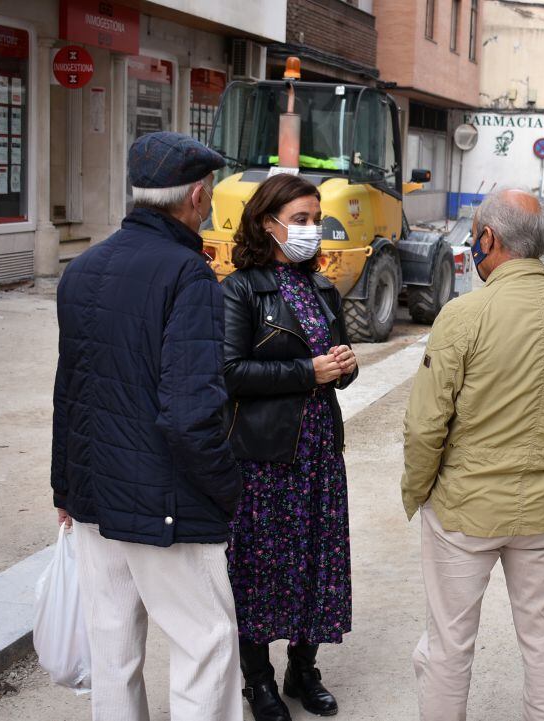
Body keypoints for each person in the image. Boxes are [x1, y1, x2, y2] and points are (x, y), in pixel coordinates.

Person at [401, 188, 544, 720]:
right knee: (542, 641)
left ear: (488, 239)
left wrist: (420, 491)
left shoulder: (464, 315)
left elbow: (424, 426)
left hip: (464, 509)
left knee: (448, 647)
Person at [51, 132, 243, 721]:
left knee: (113, 650)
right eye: (208, 193)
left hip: (94, 499)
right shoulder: (188, 276)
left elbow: (70, 392)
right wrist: (225, 487)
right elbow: (191, 414)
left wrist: (65, 489)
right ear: (196, 195)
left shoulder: (81, 268)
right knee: (206, 644)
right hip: (165, 503)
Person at [221, 174, 359, 720]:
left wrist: (343, 368)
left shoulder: (322, 287)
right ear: (265, 222)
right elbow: (229, 371)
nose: (309, 230)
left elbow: (335, 365)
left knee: (318, 561)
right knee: (259, 570)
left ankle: (304, 669)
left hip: (321, 451)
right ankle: (258, 682)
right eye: (298, 219)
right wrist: (308, 371)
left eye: (313, 219)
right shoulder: (239, 289)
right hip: (265, 456)